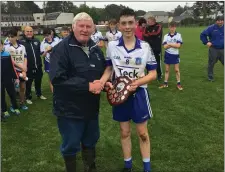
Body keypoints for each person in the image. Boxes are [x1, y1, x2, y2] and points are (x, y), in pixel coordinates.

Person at [98, 8, 157, 172]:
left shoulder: (145, 47)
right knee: (124, 132)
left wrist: (137, 82)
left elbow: (153, 73)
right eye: (123, 23)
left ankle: (147, 167)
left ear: (136, 24)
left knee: (142, 133)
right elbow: (109, 69)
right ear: (119, 25)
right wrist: (102, 81)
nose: (127, 26)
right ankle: (128, 165)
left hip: (139, 95)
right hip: (119, 94)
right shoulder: (112, 46)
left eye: (131, 22)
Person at [49, 12, 106, 172]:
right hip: (69, 111)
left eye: (88, 26)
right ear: (73, 27)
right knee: (71, 145)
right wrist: (87, 86)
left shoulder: (95, 48)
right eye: (81, 26)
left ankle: (90, 167)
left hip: (91, 108)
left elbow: (101, 73)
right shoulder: (61, 49)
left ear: (93, 29)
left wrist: (105, 84)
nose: (85, 29)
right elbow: (58, 79)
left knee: (90, 140)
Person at [20, 26, 47, 105]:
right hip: (28, 67)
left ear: (33, 32)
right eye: (27, 31)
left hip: (38, 65)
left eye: (30, 31)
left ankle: (39, 94)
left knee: (38, 81)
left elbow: (41, 52)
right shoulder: (21, 42)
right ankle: (28, 97)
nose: (29, 33)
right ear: (24, 32)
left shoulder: (37, 41)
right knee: (28, 83)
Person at [5, 28, 29, 110]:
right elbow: (10, 60)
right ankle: (13, 105)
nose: (10, 38)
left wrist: (24, 68)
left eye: (12, 36)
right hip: (13, 71)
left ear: (16, 37)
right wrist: (20, 66)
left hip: (22, 70)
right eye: (8, 37)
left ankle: (22, 103)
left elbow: (25, 57)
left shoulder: (22, 46)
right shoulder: (7, 47)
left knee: (22, 88)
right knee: (14, 89)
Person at [159, 21, 183, 90]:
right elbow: (165, 47)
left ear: (175, 27)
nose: (172, 28)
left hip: (175, 55)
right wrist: (173, 45)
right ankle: (165, 83)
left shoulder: (178, 35)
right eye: (171, 27)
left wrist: (169, 44)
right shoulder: (166, 36)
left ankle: (178, 83)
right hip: (168, 54)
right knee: (166, 70)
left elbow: (178, 46)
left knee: (176, 70)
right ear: (169, 27)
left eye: (173, 27)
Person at [200, 15, 224, 82]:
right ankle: (210, 77)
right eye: (218, 20)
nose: (220, 22)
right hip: (213, 49)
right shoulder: (211, 28)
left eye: (222, 20)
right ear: (216, 21)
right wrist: (206, 42)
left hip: (223, 49)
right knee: (211, 63)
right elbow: (202, 34)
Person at [1, 40, 21, 120]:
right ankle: (4, 110)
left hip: (8, 78)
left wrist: (16, 77)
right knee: (1, 95)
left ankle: (15, 107)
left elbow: (12, 67)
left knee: (12, 93)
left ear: (2, 45)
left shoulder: (7, 54)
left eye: (0, 45)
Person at [143, 16, 163, 81]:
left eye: (148, 21)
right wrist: (150, 35)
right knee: (148, 61)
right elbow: (144, 34)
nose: (147, 22)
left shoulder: (158, 26)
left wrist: (149, 35)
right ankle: (149, 74)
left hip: (157, 48)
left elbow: (156, 33)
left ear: (152, 21)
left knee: (157, 62)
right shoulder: (147, 27)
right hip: (149, 48)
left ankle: (159, 75)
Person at [40, 28, 59, 92]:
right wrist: (46, 51)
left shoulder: (57, 40)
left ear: (51, 34)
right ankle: (54, 93)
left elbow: (62, 51)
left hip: (57, 62)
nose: (47, 37)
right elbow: (42, 55)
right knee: (51, 78)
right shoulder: (43, 43)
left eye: (48, 35)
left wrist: (53, 49)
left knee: (59, 76)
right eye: (45, 36)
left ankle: (60, 90)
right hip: (48, 63)